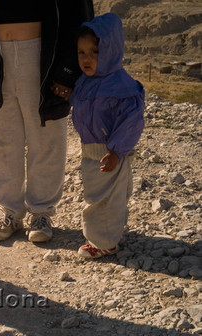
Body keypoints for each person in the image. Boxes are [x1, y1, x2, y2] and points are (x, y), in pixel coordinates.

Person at [0, 0, 94, 242]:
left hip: (44, 53)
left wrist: (67, 70)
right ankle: (11, 213)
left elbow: (79, 15)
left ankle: (41, 214)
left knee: (46, 139)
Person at [69, 13, 145, 258]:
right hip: (93, 151)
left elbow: (131, 123)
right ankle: (111, 233)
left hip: (109, 153)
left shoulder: (121, 86)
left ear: (110, 51)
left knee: (100, 199)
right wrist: (68, 95)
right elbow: (88, 106)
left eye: (94, 52)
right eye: (82, 53)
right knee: (106, 195)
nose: (87, 59)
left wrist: (116, 151)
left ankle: (104, 243)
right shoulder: (87, 81)